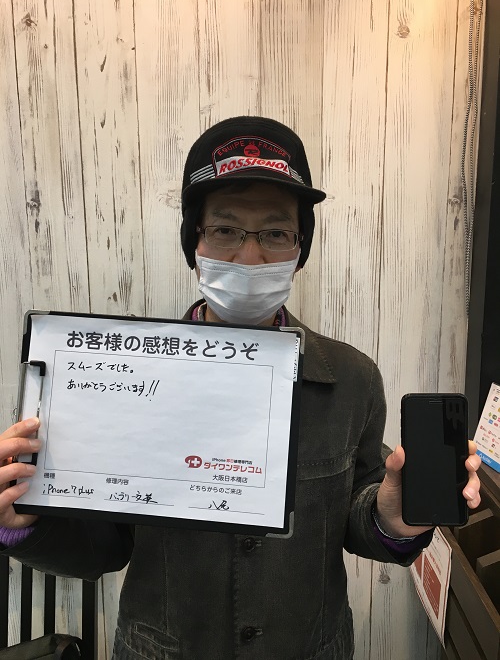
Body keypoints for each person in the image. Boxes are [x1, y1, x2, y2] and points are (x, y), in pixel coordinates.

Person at [0, 117, 481, 660]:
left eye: (275, 234)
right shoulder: (122, 381)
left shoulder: (351, 377)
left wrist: (393, 517)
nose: (250, 258)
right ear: (194, 241)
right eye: (225, 230)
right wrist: (22, 524)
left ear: (299, 249)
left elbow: (357, 519)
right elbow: (103, 548)